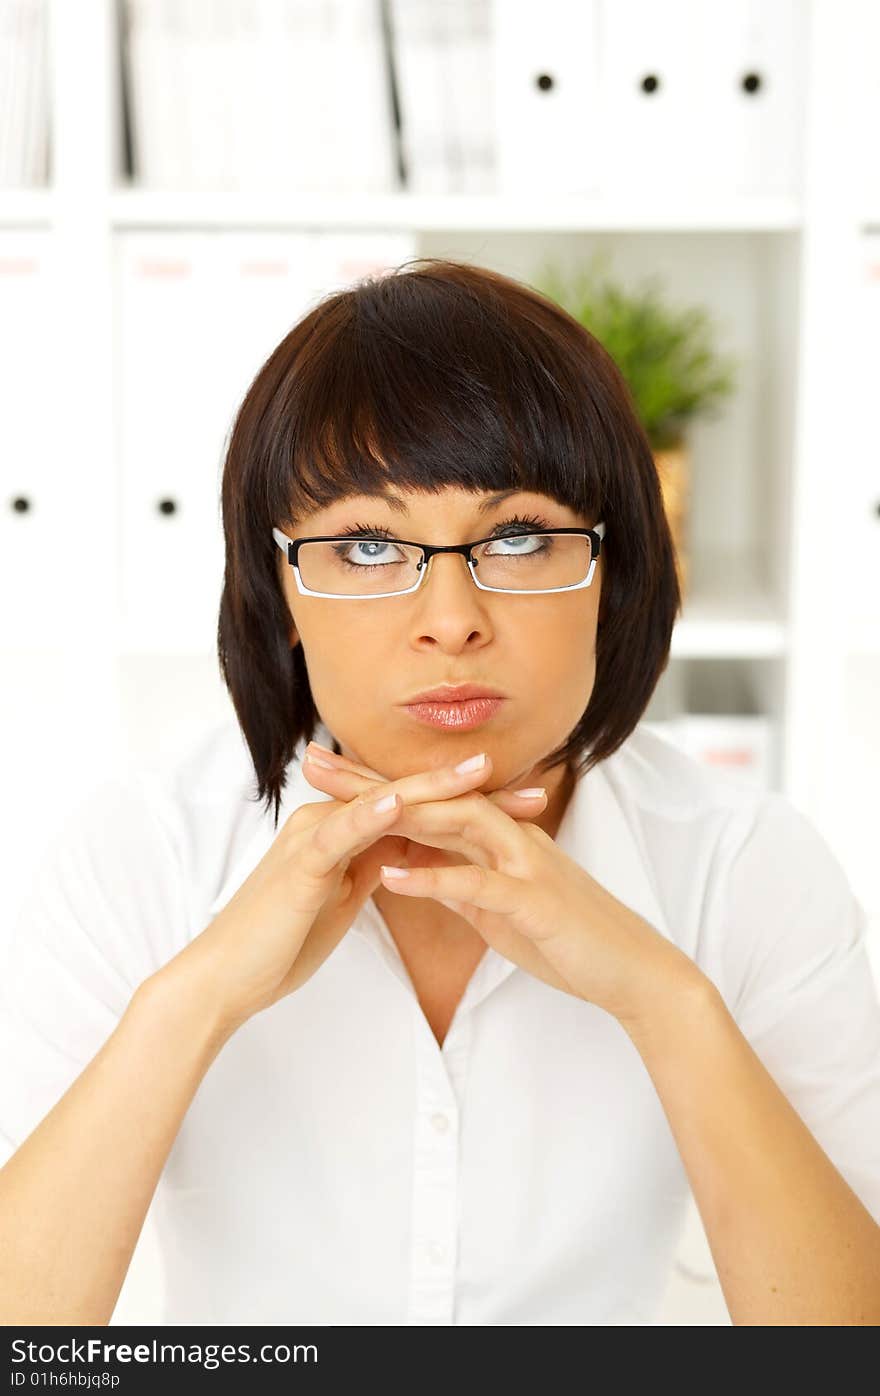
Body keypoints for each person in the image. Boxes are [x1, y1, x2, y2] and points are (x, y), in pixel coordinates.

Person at [1, 258, 878, 1327]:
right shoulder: (140, 848)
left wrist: (664, 999)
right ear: (278, 590)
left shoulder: (747, 865)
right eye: (368, 545)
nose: (451, 618)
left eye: (517, 537)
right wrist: (201, 994)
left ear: (616, 578)